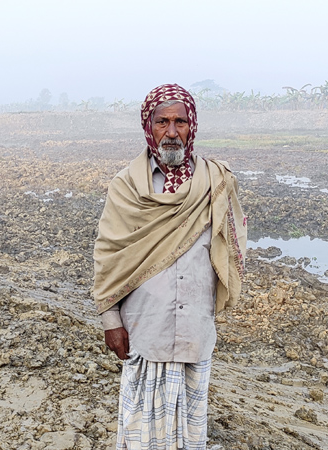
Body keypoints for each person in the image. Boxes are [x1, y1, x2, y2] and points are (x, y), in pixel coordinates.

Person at [93, 83, 246, 449]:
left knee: (191, 430)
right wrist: (111, 321)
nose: (172, 132)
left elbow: (232, 246)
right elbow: (108, 254)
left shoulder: (216, 181)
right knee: (140, 429)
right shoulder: (127, 186)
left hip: (195, 325)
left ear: (193, 125)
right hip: (144, 328)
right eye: (163, 122)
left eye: (181, 121)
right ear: (149, 125)